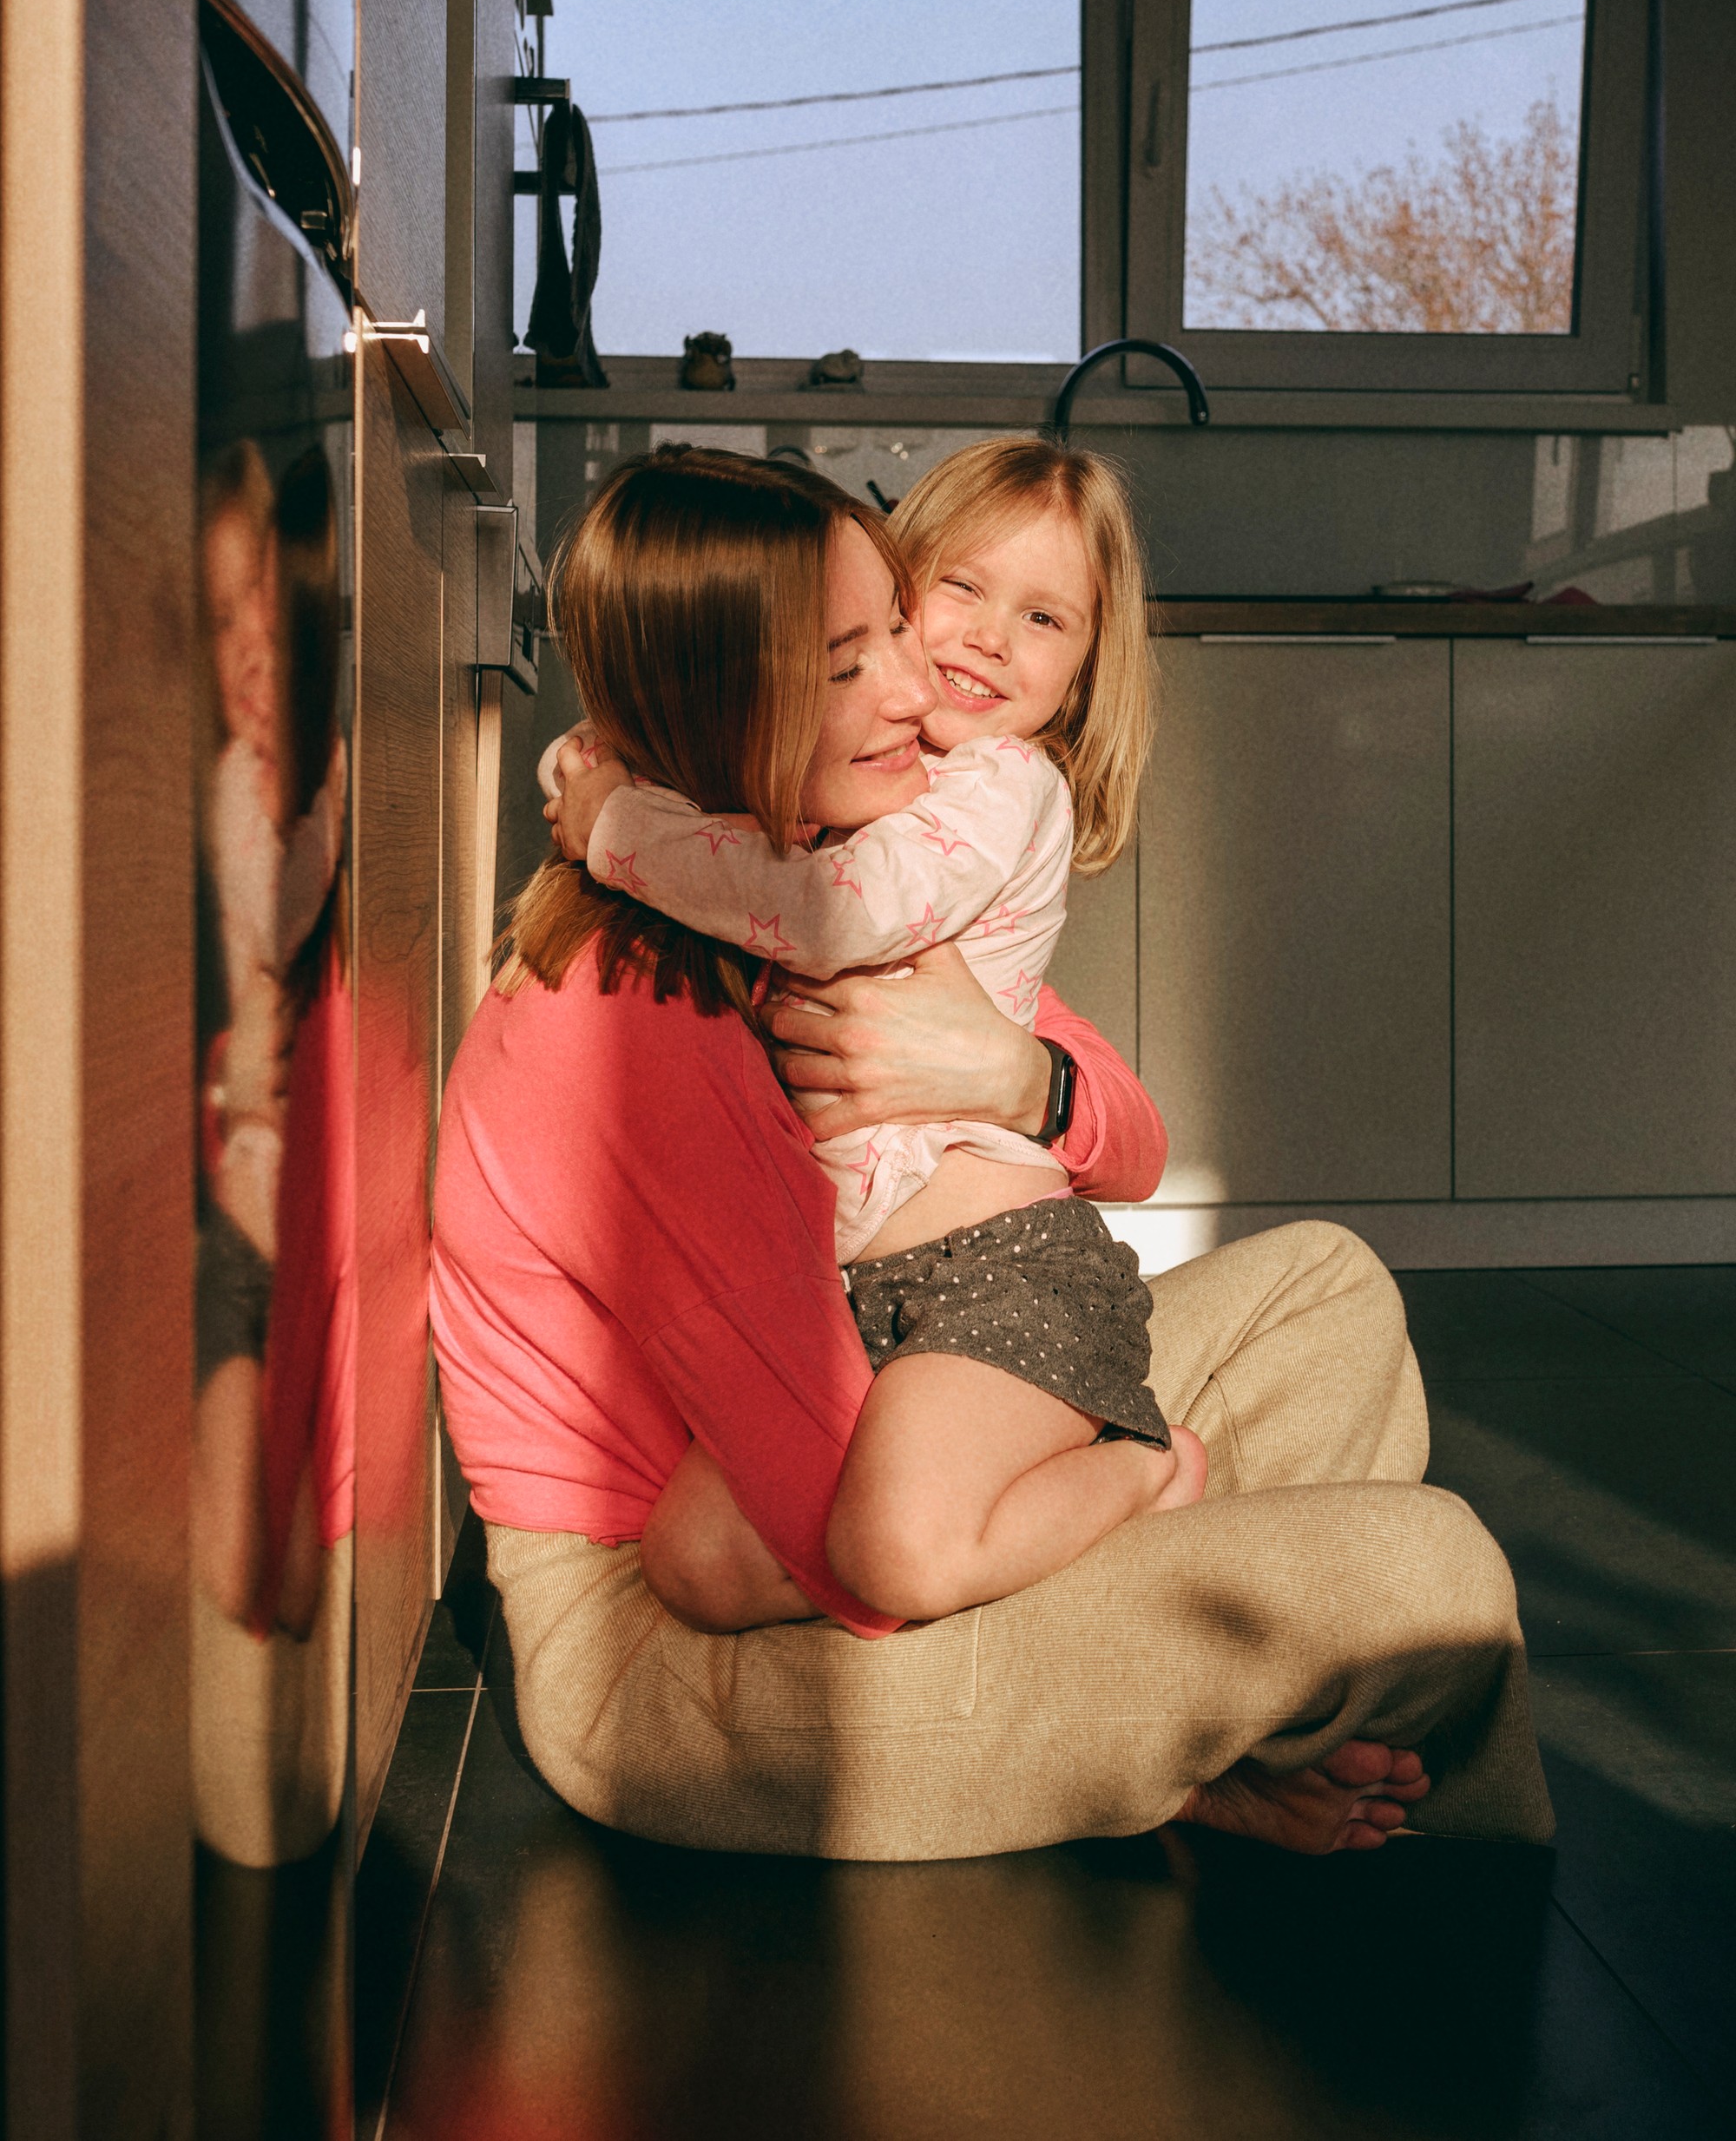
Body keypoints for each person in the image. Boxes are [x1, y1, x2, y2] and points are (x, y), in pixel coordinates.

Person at [431, 445, 1553, 1862]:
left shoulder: (866, 839)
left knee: (1325, 1285)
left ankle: (1156, 1722)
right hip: (676, 1639)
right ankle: (1184, 1736)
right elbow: (854, 1519)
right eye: (864, 653)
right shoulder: (644, 1005)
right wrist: (1130, 1646)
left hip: (901, 1368)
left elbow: (1126, 1140)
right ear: (732, 700)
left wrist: (1018, 1074)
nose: (924, 680)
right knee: (1425, 1572)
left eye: (894, 625)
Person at [542, 440, 1210, 1625]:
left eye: (1045, 617)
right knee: (696, 1559)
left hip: (1003, 1278)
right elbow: (745, 813)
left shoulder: (1001, 788)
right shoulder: (856, 765)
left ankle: (1145, 1470)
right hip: (841, 1290)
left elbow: (823, 910)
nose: (989, 637)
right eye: (959, 588)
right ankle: (983, 1551)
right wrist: (623, 756)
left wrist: (617, 827)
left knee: (899, 1550)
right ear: (891, 597)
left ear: (1085, 669)